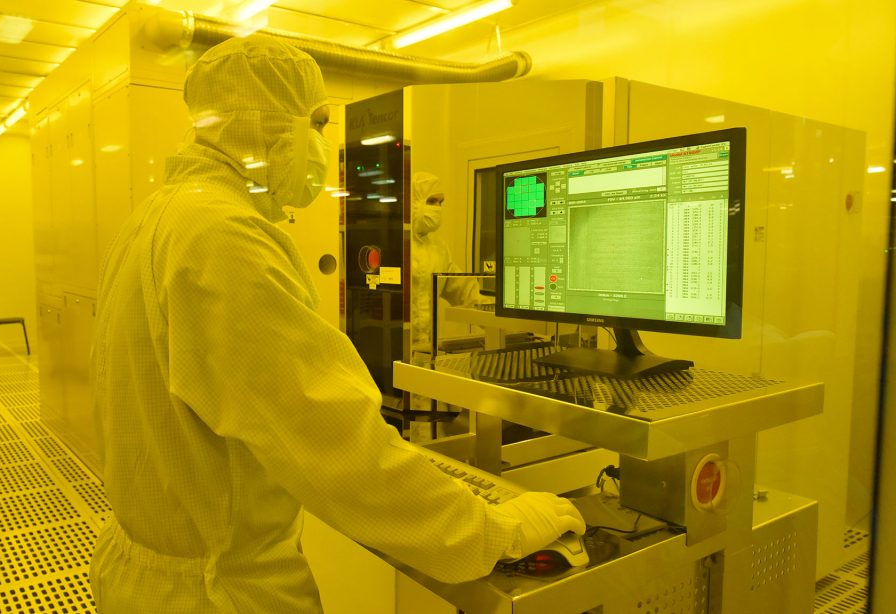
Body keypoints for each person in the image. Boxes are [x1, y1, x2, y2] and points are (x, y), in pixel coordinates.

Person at [89, 35, 585, 613]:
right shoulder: (222, 235)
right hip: (217, 591)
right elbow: (333, 441)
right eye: (318, 124)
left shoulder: (163, 214)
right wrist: (493, 530)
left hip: (156, 571)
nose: (323, 146)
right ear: (268, 122)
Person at [410, 171, 487, 353]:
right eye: (431, 201)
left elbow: (465, 292)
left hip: (426, 347)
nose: (437, 208)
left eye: (440, 202)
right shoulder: (397, 245)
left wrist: (503, 319)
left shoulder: (438, 249)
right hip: (390, 346)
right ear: (413, 202)